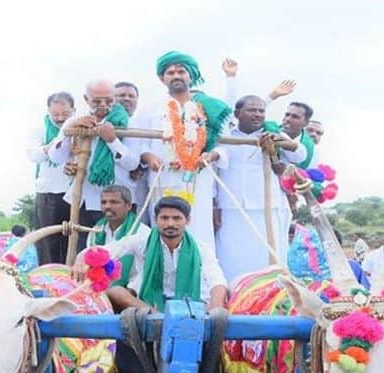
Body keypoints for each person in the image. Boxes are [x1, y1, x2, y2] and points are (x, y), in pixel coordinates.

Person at [129, 51, 230, 254]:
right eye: (170, 72)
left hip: (198, 182)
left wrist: (211, 156)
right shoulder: (150, 111)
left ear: (190, 76)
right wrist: (148, 157)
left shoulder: (209, 107)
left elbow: (226, 145)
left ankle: (200, 281)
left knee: (198, 231)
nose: (176, 75)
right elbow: (137, 145)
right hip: (162, 179)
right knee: (163, 229)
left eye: (181, 71)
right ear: (162, 78)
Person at [77, 196, 228, 313]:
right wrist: (80, 260)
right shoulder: (141, 242)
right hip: (150, 306)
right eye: (164, 218)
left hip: (193, 306)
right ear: (156, 220)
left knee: (219, 306)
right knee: (115, 292)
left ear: (187, 220)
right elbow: (106, 251)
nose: (170, 224)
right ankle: (159, 319)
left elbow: (217, 281)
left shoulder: (201, 248)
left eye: (176, 218)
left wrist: (215, 309)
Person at [215, 95, 300, 284]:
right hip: (231, 208)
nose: (257, 114)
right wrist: (215, 205)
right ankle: (235, 300)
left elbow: (300, 155)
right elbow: (215, 173)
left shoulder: (273, 134)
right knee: (231, 260)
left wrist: (280, 139)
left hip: (267, 209)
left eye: (261, 111)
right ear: (237, 114)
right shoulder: (224, 137)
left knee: (268, 257)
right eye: (251, 110)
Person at [48, 78, 139, 252]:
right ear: (86, 99)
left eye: (109, 100)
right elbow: (55, 157)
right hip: (82, 200)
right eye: (97, 101)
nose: (103, 105)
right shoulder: (75, 121)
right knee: (83, 253)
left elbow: (133, 164)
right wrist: (69, 133)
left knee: (118, 254)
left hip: (118, 202)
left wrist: (112, 140)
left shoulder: (128, 122)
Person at [28, 92, 76, 265]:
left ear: (74, 111)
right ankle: (48, 281)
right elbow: (34, 155)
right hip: (48, 193)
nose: (60, 119)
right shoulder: (39, 129)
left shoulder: (80, 127)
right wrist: (56, 142)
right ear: (48, 111)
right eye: (55, 115)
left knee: (72, 239)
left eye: (65, 114)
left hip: (74, 193)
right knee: (48, 242)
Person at [86, 185, 151, 288]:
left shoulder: (142, 232)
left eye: (114, 202)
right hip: (100, 289)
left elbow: (145, 273)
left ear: (129, 206)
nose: (107, 206)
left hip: (133, 290)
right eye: (104, 202)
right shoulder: (96, 230)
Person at [115, 81, 149, 218]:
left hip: (134, 195)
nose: (127, 98)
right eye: (121, 95)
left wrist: (141, 165)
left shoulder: (143, 124)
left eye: (131, 96)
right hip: (100, 197)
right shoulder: (102, 123)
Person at [280, 101, 321, 168]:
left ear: (306, 123)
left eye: (295, 117)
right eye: (287, 115)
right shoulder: (268, 132)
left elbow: (310, 176)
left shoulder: (313, 151)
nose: (288, 119)